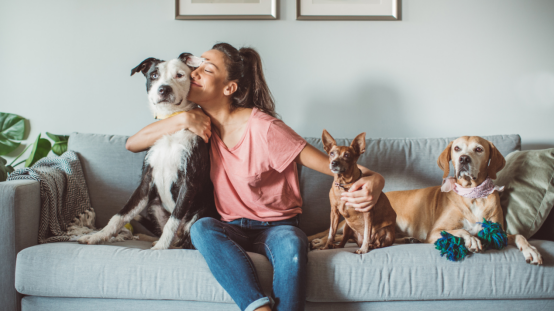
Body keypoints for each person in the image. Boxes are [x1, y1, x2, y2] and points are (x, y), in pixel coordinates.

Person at [125, 43, 385, 312]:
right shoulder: (197, 123)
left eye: (207, 69)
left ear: (229, 88)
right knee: (201, 228)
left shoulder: (265, 128)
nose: (195, 73)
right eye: (197, 66)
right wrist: (182, 120)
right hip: (231, 226)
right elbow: (133, 144)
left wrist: (376, 180)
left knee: (292, 244)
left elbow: (333, 165)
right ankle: (259, 308)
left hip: (277, 226)